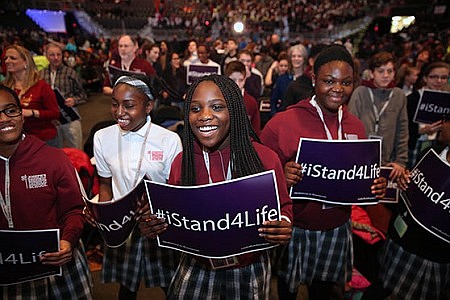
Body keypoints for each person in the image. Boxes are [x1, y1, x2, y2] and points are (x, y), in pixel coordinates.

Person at [140, 74, 293, 299]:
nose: (205, 116)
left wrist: (284, 224)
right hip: (197, 266)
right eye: (195, 109)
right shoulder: (182, 163)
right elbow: (172, 217)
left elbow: (284, 207)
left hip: (248, 267)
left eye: (217, 107)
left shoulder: (265, 159)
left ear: (234, 111)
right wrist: (153, 227)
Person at [260, 45, 387, 299]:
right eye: (329, 81)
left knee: (324, 290)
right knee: (287, 289)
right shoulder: (282, 124)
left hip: (337, 225)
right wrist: (281, 176)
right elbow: (256, 178)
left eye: (346, 82)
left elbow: (359, 176)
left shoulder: (356, 126)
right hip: (296, 227)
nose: (338, 89)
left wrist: (374, 185)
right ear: (314, 79)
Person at [91, 74, 182, 299]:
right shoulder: (102, 137)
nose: (120, 112)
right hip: (124, 226)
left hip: (159, 224)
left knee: (170, 285)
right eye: (115, 104)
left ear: (149, 106)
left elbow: (177, 190)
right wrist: (104, 216)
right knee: (127, 286)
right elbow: (105, 184)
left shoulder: (168, 140)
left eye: (129, 105)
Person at [0, 84, 93, 299]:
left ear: (22, 115)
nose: (4, 119)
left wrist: (68, 240)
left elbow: (75, 209)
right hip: (8, 272)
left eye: (11, 110)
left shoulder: (53, 159)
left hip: (57, 268)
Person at [363, 113, 450, 300]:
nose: (442, 125)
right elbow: (409, 195)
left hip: (430, 259)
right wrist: (404, 182)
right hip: (397, 243)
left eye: (447, 121)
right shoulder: (429, 154)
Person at [348, 51, 408, 181]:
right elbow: (349, 128)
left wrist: (400, 162)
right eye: (381, 71)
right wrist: (352, 159)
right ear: (371, 73)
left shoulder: (398, 95)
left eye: (390, 71)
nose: (386, 75)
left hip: (387, 162)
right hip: (359, 161)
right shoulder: (360, 92)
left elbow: (402, 131)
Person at [2, 45, 60, 147]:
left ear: (25, 62)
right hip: (15, 142)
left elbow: (55, 113)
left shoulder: (41, 86)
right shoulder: (4, 87)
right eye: (6, 58)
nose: (7, 61)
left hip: (44, 140)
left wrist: (32, 112)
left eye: (12, 58)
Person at [41, 42, 87, 149]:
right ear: (46, 56)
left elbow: (83, 95)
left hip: (70, 118)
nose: (56, 58)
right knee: (55, 153)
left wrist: (74, 100)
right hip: (51, 121)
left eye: (59, 54)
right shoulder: (40, 75)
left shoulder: (70, 73)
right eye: (52, 55)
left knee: (76, 151)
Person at [407, 61, 449, 168]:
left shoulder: (447, 100)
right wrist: (420, 131)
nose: (439, 81)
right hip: (413, 146)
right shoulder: (413, 98)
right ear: (425, 78)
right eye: (433, 77)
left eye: (443, 77)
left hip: (437, 147)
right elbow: (403, 128)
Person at [270, 43, 308, 115]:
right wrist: (275, 115)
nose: (296, 59)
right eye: (293, 56)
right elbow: (273, 100)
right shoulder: (282, 79)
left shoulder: (308, 79)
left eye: (299, 56)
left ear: (304, 59)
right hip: (284, 116)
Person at [224, 60, 260, 136]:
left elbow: (256, 130)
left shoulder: (251, 102)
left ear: (245, 79)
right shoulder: (220, 100)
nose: (237, 84)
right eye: (233, 80)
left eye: (241, 80)